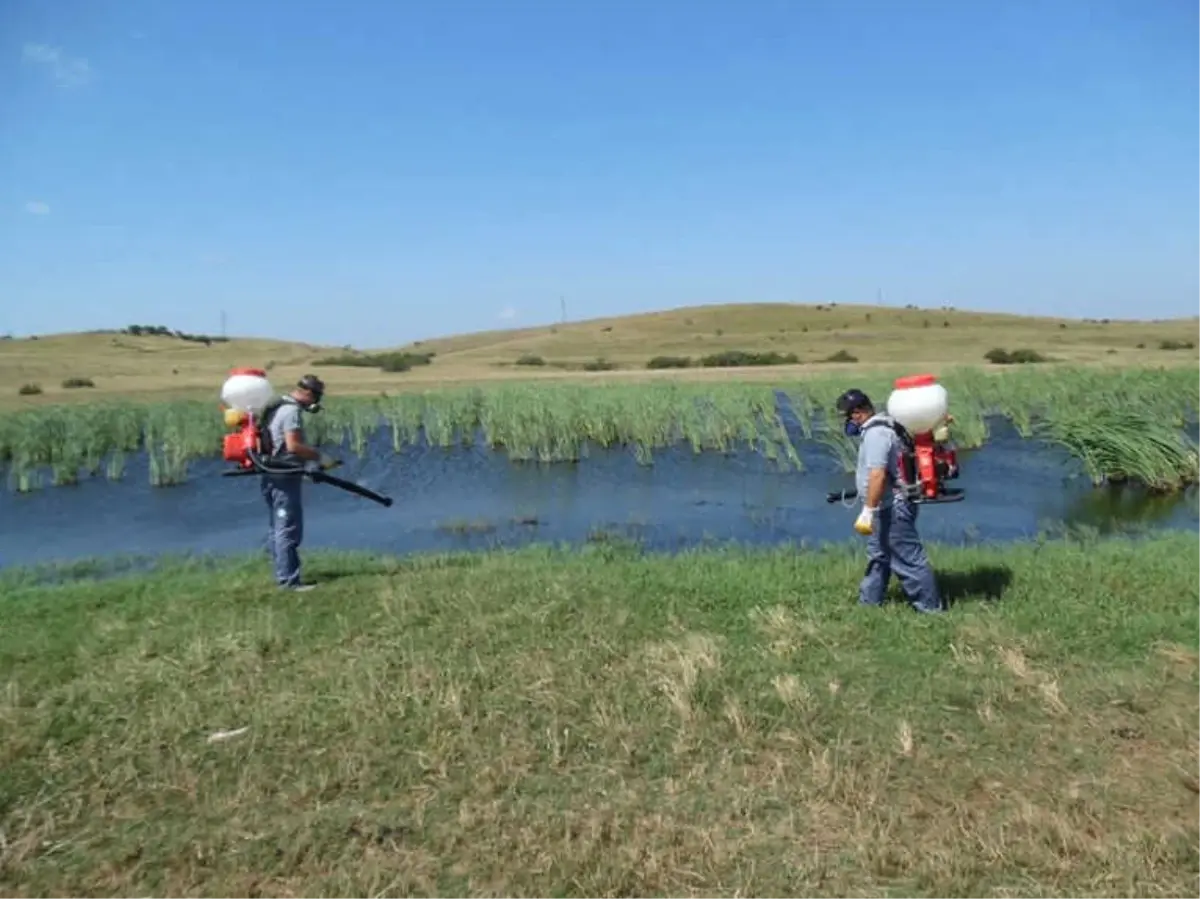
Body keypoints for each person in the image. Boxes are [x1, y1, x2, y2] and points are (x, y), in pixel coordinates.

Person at [834, 388, 944, 614]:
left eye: (848, 415)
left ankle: (931, 611)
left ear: (859, 413)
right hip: (887, 505)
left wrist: (868, 510)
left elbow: (878, 474)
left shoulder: (876, 434)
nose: (847, 421)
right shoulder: (888, 424)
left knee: (909, 561)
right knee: (879, 557)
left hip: (891, 508)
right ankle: (868, 606)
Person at [259, 374, 339, 591]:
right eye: (316, 397)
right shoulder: (291, 411)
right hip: (283, 478)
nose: (316, 403)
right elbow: (293, 446)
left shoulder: (277, 406)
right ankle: (288, 581)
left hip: (271, 475)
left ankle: (283, 575)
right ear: (308, 393)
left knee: (277, 527)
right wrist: (318, 456)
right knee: (288, 529)